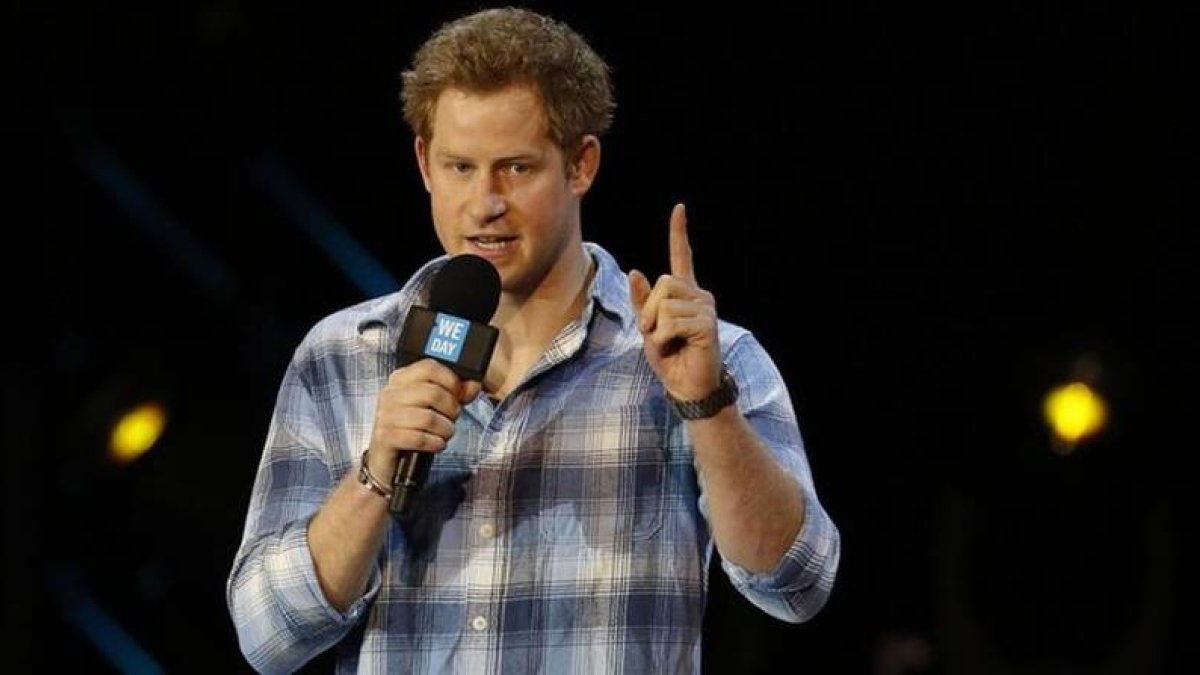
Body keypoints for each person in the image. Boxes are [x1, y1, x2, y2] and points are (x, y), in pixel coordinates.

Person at [226, 6, 840, 673]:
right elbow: (267, 638)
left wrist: (708, 407)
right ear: (424, 162)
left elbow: (799, 584)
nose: (485, 202)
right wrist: (375, 473)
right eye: (460, 167)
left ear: (581, 165)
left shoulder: (699, 358)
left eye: (516, 169)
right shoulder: (343, 354)